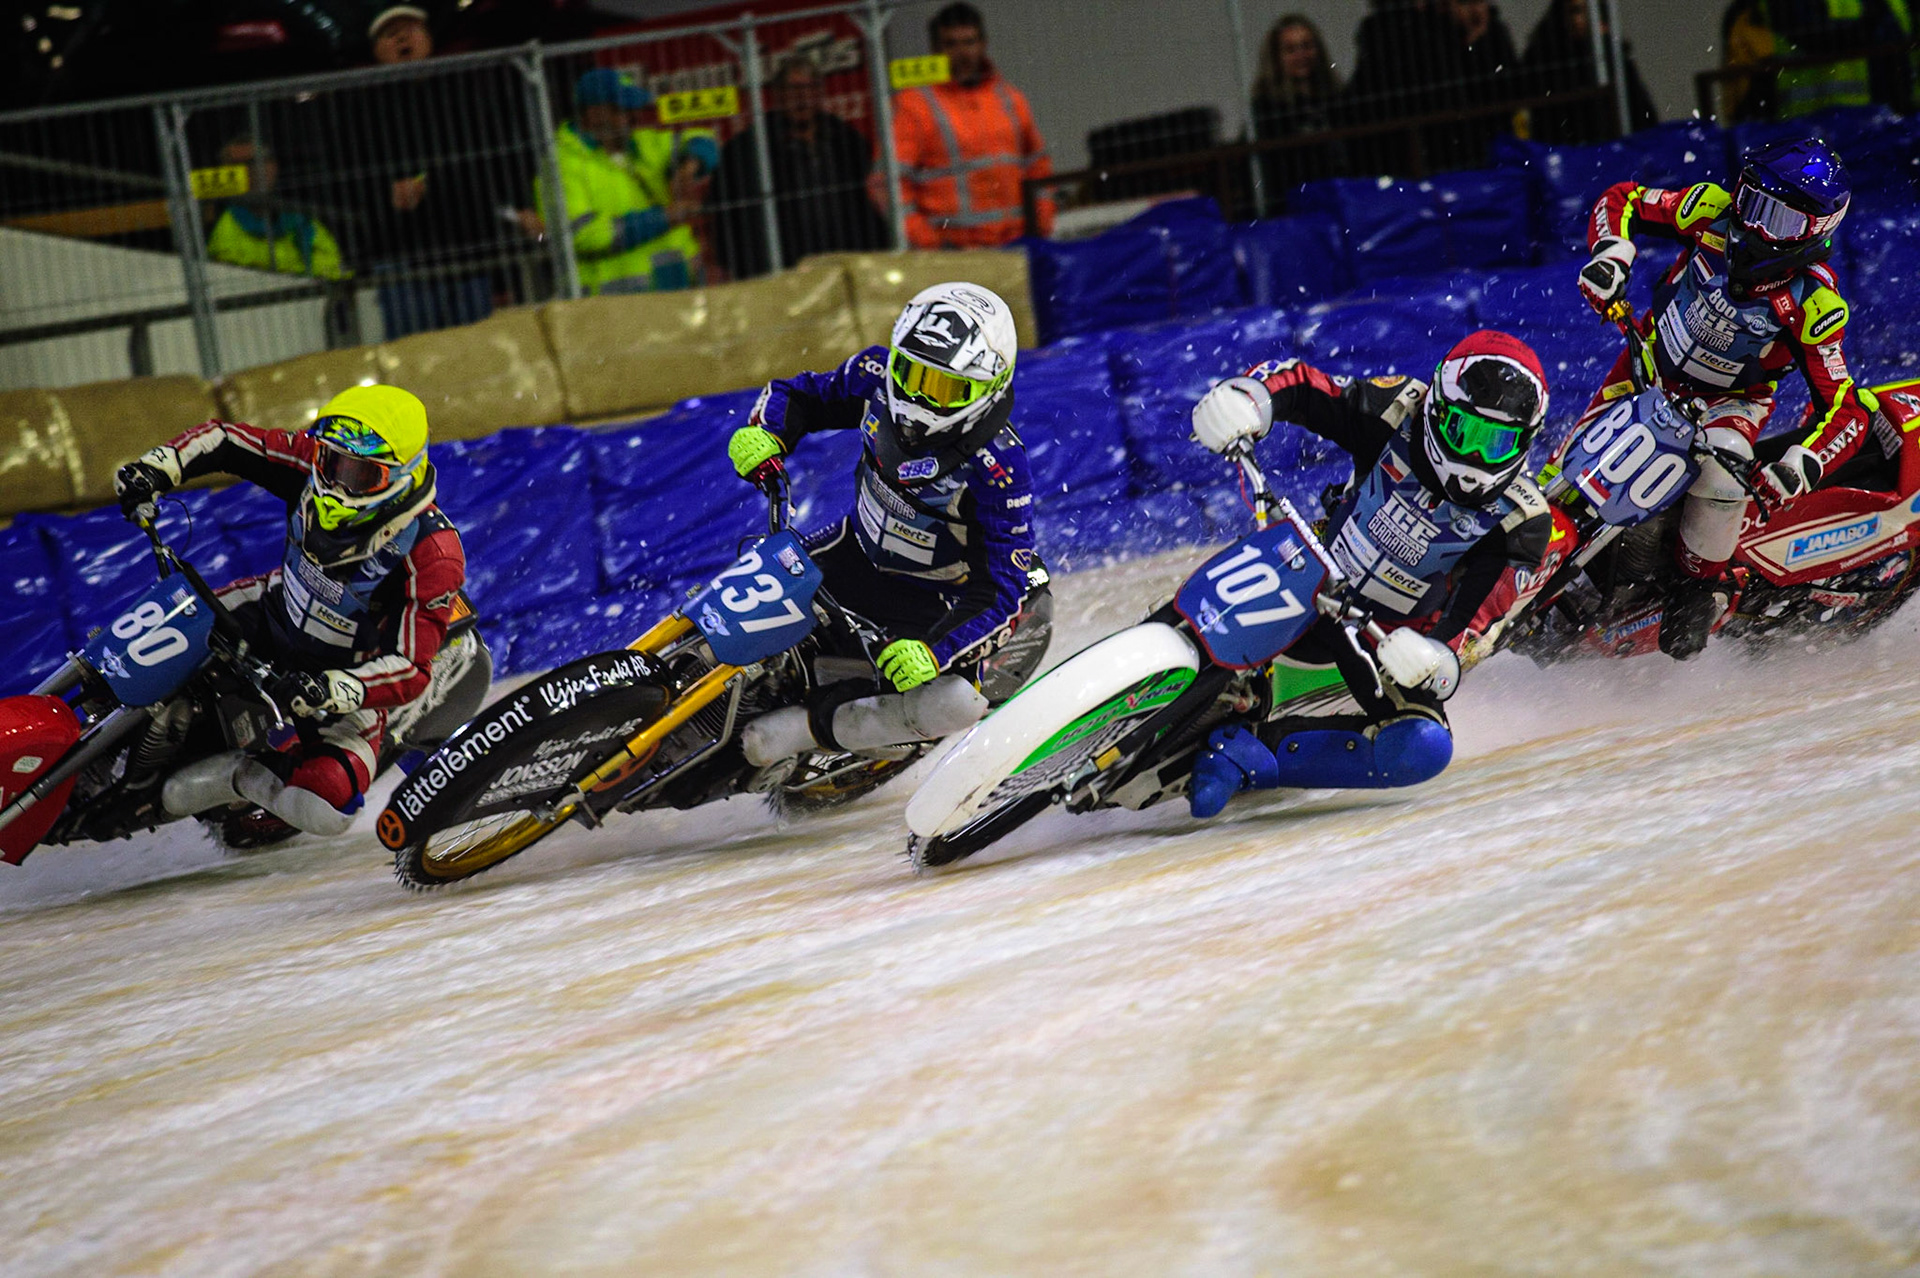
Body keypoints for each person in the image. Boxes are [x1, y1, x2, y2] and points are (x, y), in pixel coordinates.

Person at [1182, 331, 1555, 818]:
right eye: (1465, 433)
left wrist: (1435, 657)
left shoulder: (1520, 521)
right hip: (1312, 571)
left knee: (1422, 746)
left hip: (1383, 641)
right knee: (1242, 570)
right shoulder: (1399, 409)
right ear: (1439, 410)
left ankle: (1257, 753)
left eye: (1497, 442)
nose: (1475, 459)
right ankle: (1170, 640)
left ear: (1524, 442)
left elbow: (1477, 620)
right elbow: (1305, 386)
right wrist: (1250, 399)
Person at [110, 386, 467, 846]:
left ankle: (238, 781)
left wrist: (332, 689)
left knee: (327, 807)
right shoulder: (308, 462)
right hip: (269, 612)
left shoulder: (432, 551)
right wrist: (159, 465)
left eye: (360, 475)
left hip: (338, 679)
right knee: (147, 638)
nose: (338, 482)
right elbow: (226, 440)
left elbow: (413, 667)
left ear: (402, 475)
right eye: (333, 463)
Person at [722, 283, 1054, 768]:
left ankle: (799, 731)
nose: (918, 396)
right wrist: (767, 431)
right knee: (751, 581)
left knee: (955, 702)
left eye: (942, 388)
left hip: (927, 606)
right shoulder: (874, 374)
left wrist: (934, 651)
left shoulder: (999, 466)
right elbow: (800, 394)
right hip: (851, 551)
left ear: (988, 391)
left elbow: (1002, 587)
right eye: (911, 373)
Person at [1573, 138, 1869, 657]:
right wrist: (1611, 255)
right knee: (1570, 472)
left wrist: (1804, 463)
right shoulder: (1709, 210)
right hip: (1647, 367)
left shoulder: (1814, 302)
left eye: (1773, 218)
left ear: (1812, 232)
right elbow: (1620, 199)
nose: (1751, 224)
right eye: (1750, 201)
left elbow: (1846, 408)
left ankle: (1698, 587)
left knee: (1724, 472)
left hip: (1729, 404)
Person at [341, 5, 532, 336]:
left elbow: (498, 157)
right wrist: (385, 194)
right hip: (404, 260)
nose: (402, 37)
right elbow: (345, 179)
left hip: (471, 252)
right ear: (376, 51)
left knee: (478, 357)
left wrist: (521, 204)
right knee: (416, 364)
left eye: (411, 29)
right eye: (390, 33)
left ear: (429, 40)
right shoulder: (360, 109)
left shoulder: (464, 92)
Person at [707, 54, 890, 280]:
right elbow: (725, 213)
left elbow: (870, 202)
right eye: (793, 90)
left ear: (820, 93)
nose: (802, 97)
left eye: (809, 89)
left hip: (844, 264)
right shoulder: (747, 149)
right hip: (778, 270)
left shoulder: (846, 140)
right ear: (778, 96)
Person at [538, 67, 714, 294]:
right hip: (614, 304)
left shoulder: (642, 142)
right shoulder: (560, 165)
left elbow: (703, 138)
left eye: (634, 108)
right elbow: (582, 235)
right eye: (622, 110)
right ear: (594, 113)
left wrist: (690, 165)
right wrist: (666, 216)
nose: (634, 117)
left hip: (679, 287)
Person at [892, 3, 1054, 247]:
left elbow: (1037, 166)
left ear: (983, 44)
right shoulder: (915, 105)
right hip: (956, 253)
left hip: (1018, 246)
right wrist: (932, 244)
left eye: (969, 42)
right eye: (951, 44)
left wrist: (1040, 224)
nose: (962, 53)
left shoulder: (1009, 99)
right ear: (935, 49)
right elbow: (890, 184)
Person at [205, 137, 347, 281]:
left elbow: (335, 273)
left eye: (259, 161)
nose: (252, 170)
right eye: (239, 165)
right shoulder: (215, 226)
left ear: (274, 166)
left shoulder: (305, 222)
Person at [1520, 0, 1658, 143]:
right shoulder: (1544, 56)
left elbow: (1638, 105)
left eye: (1591, 11)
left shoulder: (1610, 53)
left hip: (1610, 143)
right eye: (1576, 11)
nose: (1586, 18)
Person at [1250, 15, 1344, 193]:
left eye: (1307, 46)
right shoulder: (1267, 107)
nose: (1301, 55)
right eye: (1291, 49)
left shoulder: (1336, 96)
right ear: (1276, 57)